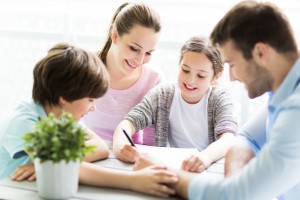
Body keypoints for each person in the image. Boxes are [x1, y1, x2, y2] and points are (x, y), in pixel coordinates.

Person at [135, 1, 300, 199]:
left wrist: (162, 171)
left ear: (260, 53)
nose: (231, 77)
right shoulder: (286, 90)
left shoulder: (295, 110)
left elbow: (234, 195)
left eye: (232, 64)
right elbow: (248, 137)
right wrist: (236, 180)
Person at [0, 43, 178, 197]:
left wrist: (50, 164)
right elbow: (71, 169)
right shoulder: (23, 123)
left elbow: (100, 148)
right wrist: (134, 181)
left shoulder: (61, 117)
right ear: (66, 97)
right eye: (90, 100)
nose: (93, 107)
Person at [113, 36, 238, 173]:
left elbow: (229, 137)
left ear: (216, 76)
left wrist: (205, 157)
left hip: (204, 170)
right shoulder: (163, 94)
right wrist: (120, 145)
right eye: (185, 70)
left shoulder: (219, 98)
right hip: (167, 168)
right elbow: (130, 121)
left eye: (201, 75)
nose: (190, 80)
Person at [82, 2, 162, 146]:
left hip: (128, 157)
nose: (140, 60)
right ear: (115, 36)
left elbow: (151, 138)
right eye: (134, 48)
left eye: (149, 53)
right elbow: (63, 117)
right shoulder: (84, 66)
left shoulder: (153, 80)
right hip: (85, 152)